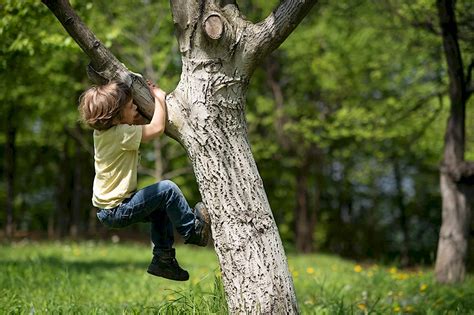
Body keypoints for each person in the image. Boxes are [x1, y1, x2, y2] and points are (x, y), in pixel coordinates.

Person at [78, 80, 210, 281]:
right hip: (118, 209)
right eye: (131, 106)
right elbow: (156, 128)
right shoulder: (121, 134)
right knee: (167, 190)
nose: (136, 108)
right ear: (116, 117)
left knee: (161, 207)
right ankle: (193, 231)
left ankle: (163, 259)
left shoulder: (103, 133)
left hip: (109, 211)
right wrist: (159, 98)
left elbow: (138, 122)